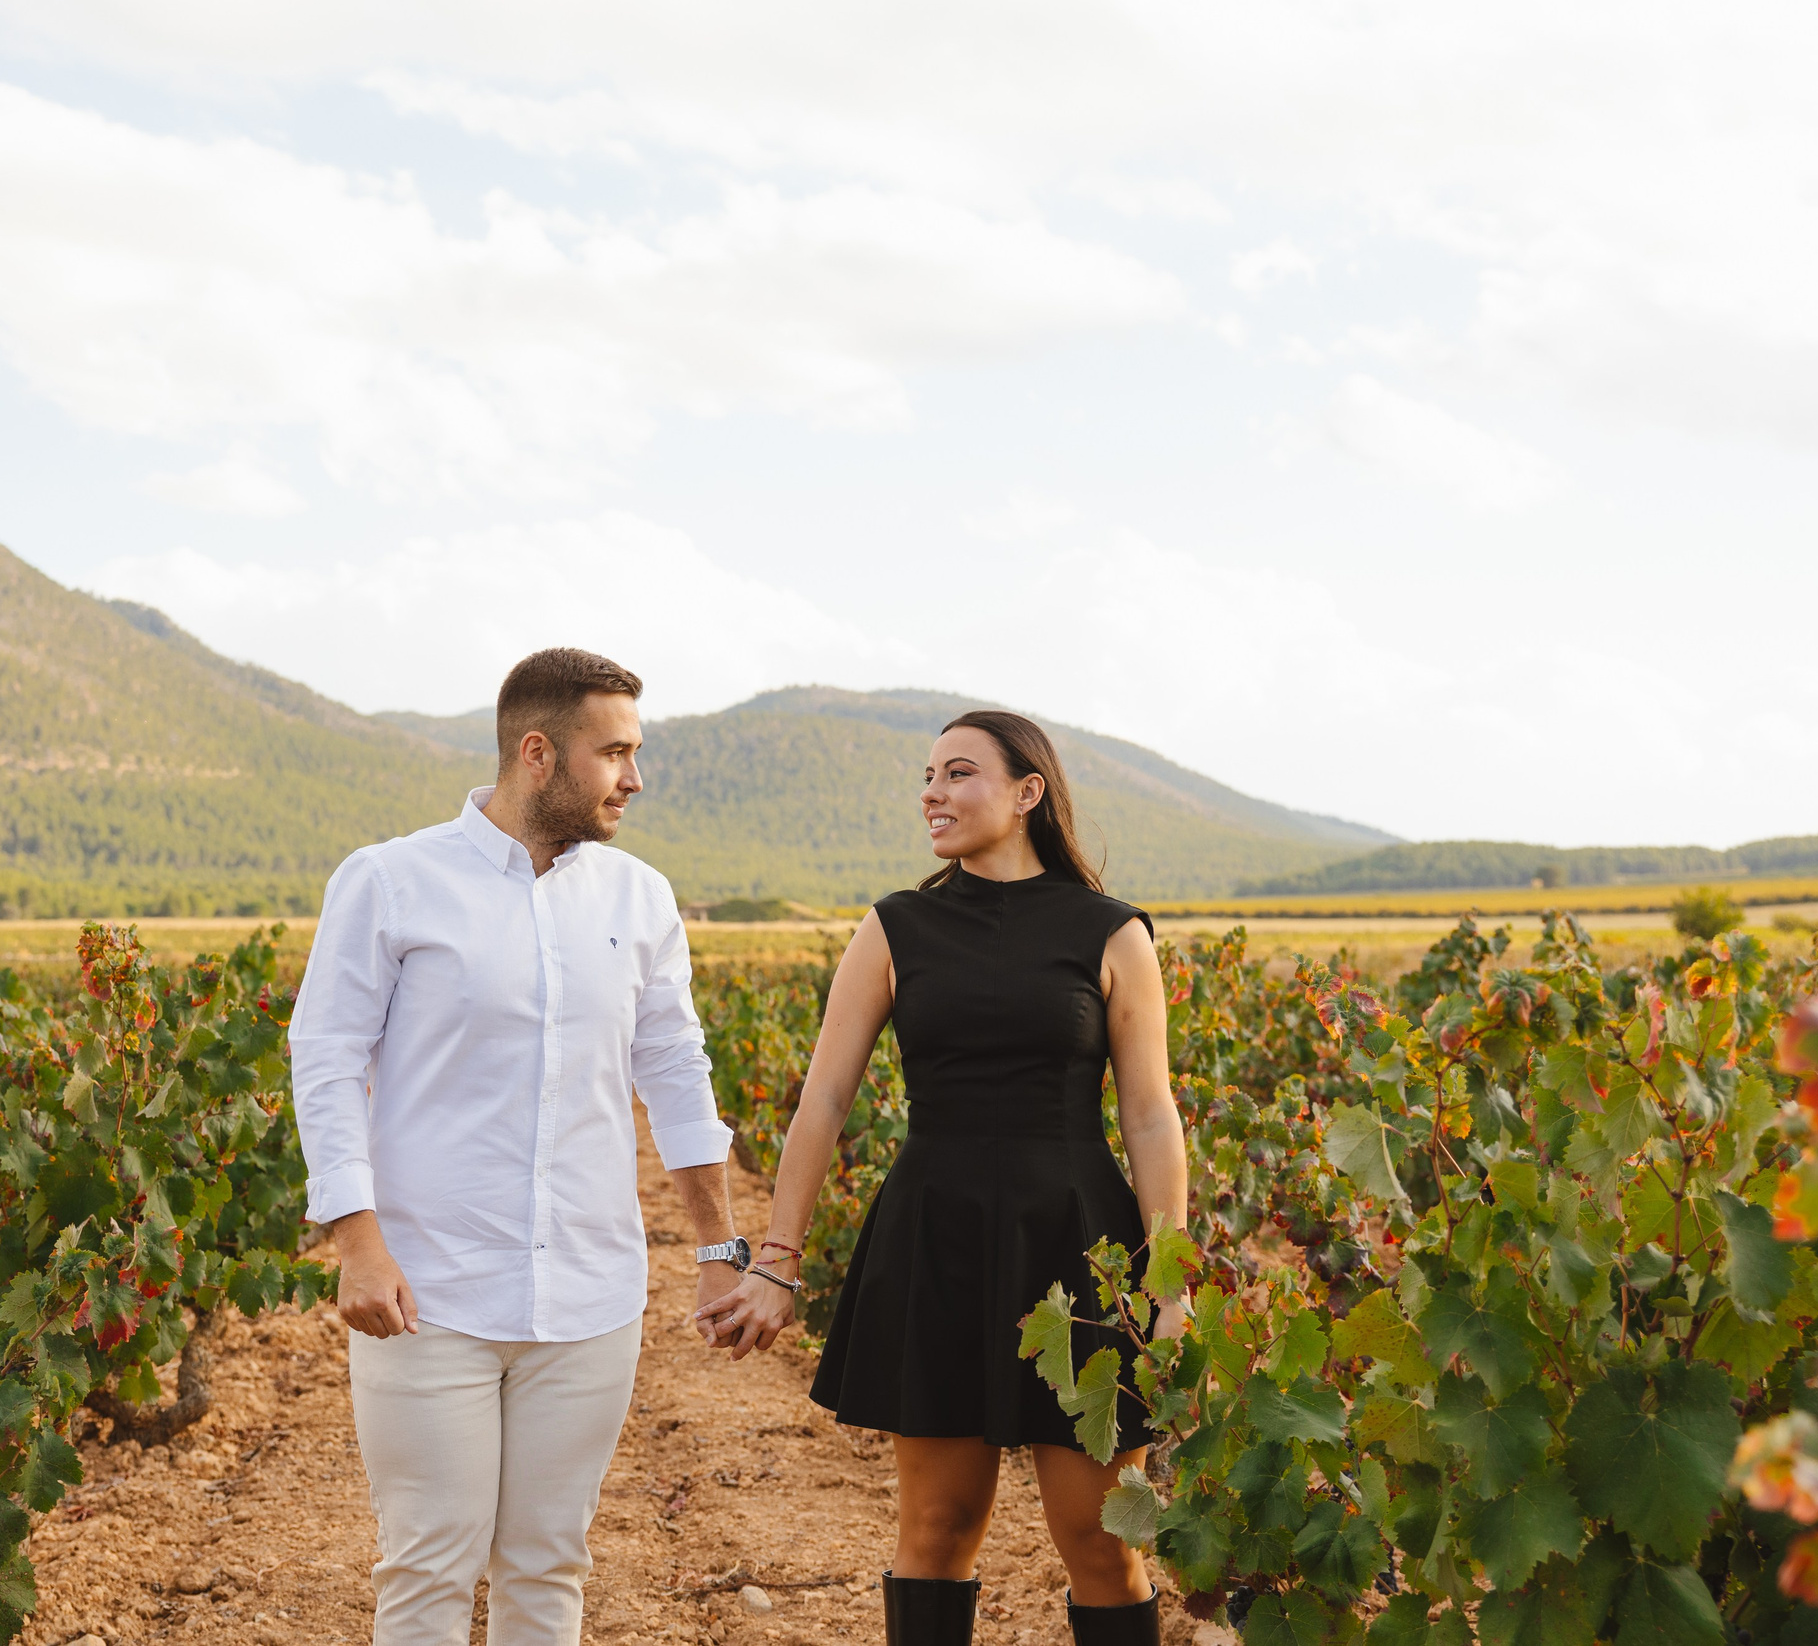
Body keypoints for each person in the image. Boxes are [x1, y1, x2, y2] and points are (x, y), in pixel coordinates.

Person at [695, 710, 1188, 1646]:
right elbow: (825, 1101)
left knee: (1101, 1541)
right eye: (927, 774)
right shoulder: (896, 927)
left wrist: (1170, 1278)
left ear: (1027, 792)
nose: (932, 791)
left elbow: (1150, 1114)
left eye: (958, 773)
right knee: (935, 1529)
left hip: (1078, 1246)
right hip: (938, 1239)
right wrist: (776, 1257)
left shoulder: (1112, 932)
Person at [289, 647, 750, 1646]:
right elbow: (325, 1059)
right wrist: (356, 1240)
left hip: (590, 1294)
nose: (635, 777)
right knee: (428, 1564)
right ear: (538, 752)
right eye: (615, 752)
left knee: (548, 1563)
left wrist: (718, 1248)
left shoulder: (639, 897)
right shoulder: (389, 880)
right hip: (430, 1291)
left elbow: (673, 1065)